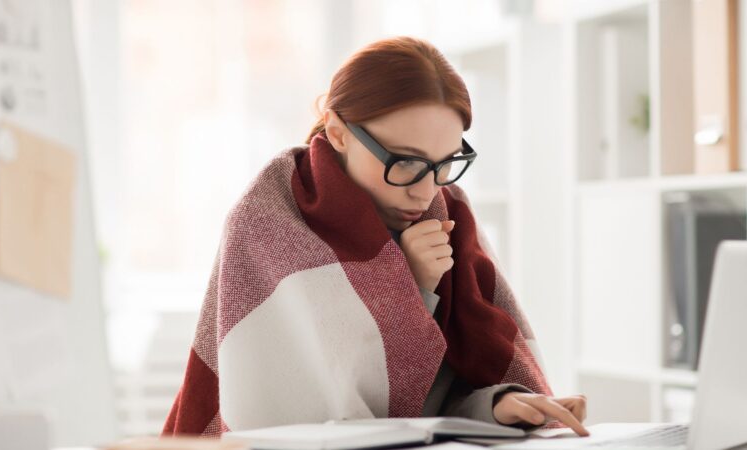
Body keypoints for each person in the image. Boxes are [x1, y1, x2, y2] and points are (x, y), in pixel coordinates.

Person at [163, 36, 588, 438]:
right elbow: (323, 416)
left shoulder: (450, 213)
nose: (425, 190)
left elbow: (429, 408)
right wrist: (412, 285)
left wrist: (500, 405)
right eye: (405, 162)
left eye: (445, 164)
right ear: (338, 131)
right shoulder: (268, 222)